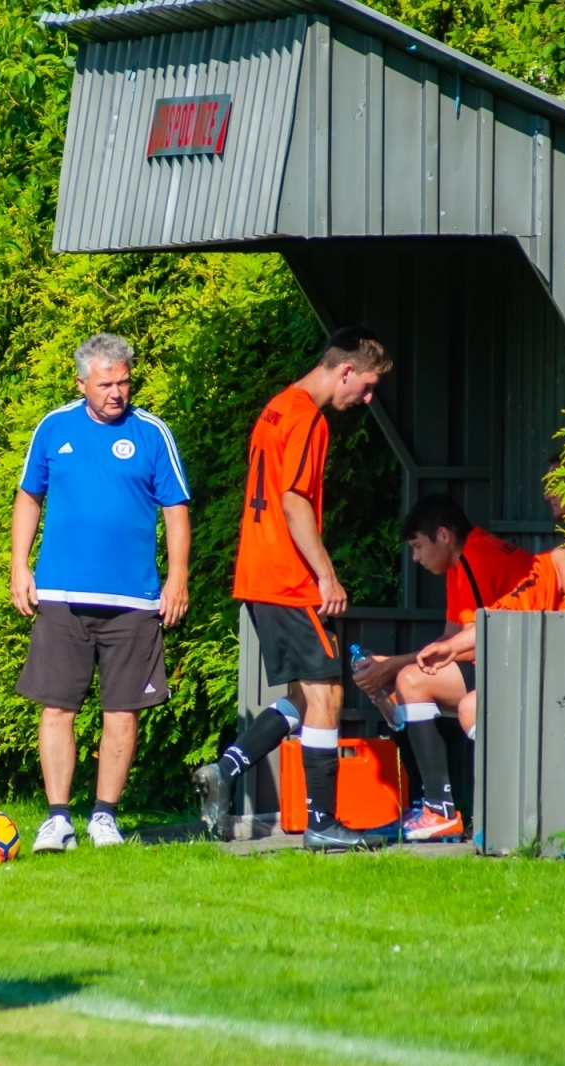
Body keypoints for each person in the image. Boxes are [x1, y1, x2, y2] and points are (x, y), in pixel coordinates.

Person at [191, 326, 393, 852]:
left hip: (258, 575)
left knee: (304, 699)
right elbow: (294, 500)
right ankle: (323, 823)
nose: (367, 399)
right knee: (328, 693)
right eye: (366, 386)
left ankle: (225, 770)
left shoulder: (277, 405)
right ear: (344, 370)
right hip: (289, 579)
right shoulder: (308, 417)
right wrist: (326, 573)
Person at [11, 334, 191, 852]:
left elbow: (176, 508)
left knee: (122, 711)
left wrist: (176, 577)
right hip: (61, 595)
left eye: (124, 381)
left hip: (133, 602)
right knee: (56, 707)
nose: (117, 392)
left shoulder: (153, 433)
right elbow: (29, 498)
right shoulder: (53, 427)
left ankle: (105, 817)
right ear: (81, 383)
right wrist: (18, 567)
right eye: (106, 383)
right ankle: (57, 818)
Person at [412, 464, 565, 804]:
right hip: (553, 669)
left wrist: (452, 648)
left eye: (556, 481)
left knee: (462, 701)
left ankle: (518, 805)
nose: (547, 492)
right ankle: (506, 807)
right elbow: (507, 612)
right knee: (464, 701)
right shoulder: (556, 560)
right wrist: (451, 647)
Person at [352, 495, 533, 841]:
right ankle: (428, 805)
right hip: (506, 660)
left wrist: (393, 666)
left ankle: (440, 810)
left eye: (419, 546)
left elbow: (471, 643)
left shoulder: (475, 557)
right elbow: (452, 640)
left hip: (521, 666)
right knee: (404, 681)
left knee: (410, 681)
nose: (416, 558)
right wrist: (390, 668)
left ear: (444, 536)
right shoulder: (464, 559)